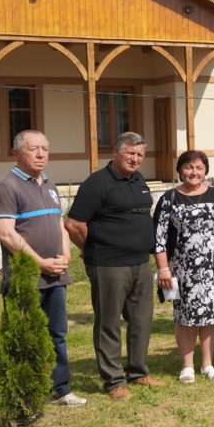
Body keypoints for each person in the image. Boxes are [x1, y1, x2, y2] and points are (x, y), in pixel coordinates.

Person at [0, 130, 85, 406]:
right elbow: (7, 234)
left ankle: (60, 390)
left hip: (56, 274)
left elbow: (59, 224)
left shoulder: (49, 184)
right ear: (17, 152)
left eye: (45, 148)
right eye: (34, 149)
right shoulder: (7, 186)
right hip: (26, 277)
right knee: (25, 336)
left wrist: (65, 254)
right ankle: (27, 392)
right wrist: (40, 263)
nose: (41, 154)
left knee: (57, 334)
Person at [66, 132, 163, 398]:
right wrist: (92, 249)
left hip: (141, 264)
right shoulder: (96, 184)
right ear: (116, 152)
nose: (135, 159)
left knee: (142, 320)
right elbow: (74, 225)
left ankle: (138, 372)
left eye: (140, 155)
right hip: (109, 265)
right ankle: (113, 381)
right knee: (109, 323)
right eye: (130, 153)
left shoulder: (138, 179)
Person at [153, 150, 214, 383]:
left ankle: (207, 364)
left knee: (211, 315)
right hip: (182, 269)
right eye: (188, 167)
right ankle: (187, 366)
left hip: (213, 268)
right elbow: (158, 238)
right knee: (185, 316)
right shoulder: (169, 198)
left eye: (199, 168)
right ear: (180, 171)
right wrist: (164, 269)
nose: (194, 172)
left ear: (205, 171)